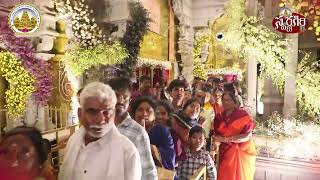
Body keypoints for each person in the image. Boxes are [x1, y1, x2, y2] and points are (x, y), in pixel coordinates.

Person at [59, 82, 141, 180]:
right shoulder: (73, 141)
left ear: (114, 114)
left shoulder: (127, 153)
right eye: (92, 111)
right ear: (80, 114)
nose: (100, 119)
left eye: (107, 112)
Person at [108, 77, 158, 180]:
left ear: (130, 100)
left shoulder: (138, 132)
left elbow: (148, 171)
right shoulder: (101, 127)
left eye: (125, 97)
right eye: (116, 95)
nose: (120, 100)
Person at [213, 92, 256, 180]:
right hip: (223, 151)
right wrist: (215, 144)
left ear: (234, 102)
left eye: (228, 100)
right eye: (223, 100)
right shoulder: (219, 117)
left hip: (240, 151)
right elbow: (216, 136)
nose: (225, 102)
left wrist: (225, 139)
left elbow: (247, 135)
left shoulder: (242, 115)